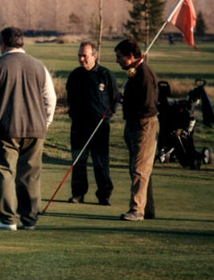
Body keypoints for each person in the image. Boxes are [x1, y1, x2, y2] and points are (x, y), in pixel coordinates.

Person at [0, 27, 56, 231]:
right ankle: (30, 219)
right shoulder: (39, 66)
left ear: (3, 43)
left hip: (4, 130)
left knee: (5, 173)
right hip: (35, 129)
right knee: (30, 174)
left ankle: (8, 219)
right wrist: (46, 123)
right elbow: (50, 99)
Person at [66, 42, 118, 206]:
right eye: (79, 56)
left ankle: (104, 195)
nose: (81, 59)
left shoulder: (105, 74)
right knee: (78, 160)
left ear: (94, 56)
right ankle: (78, 193)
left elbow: (114, 99)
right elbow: (70, 99)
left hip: (100, 126)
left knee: (100, 161)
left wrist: (107, 116)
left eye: (85, 56)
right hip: (79, 126)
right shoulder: (75, 75)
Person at [114, 39, 159, 221]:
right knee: (136, 168)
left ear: (131, 56)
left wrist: (126, 101)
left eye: (120, 57)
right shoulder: (135, 72)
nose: (117, 61)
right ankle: (147, 209)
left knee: (140, 169)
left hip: (144, 124)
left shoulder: (144, 73)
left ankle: (137, 210)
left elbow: (147, 104)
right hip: (134, 124)